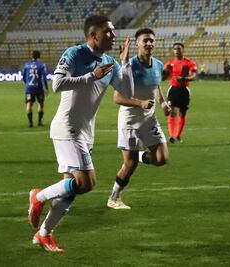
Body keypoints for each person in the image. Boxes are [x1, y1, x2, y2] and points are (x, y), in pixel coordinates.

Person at [27, 15, 133, 253]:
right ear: (93, 35)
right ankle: (38, 196)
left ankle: (44, 234)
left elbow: (125, 92)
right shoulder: (75, 54)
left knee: (70, 189)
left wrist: (124, 65)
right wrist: (90, 76)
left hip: (86, 132)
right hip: (68, 127)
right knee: (86, 182)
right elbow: (57, 84)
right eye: (108, 32)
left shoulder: (110, 63)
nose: (113, 36)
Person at [107, 28, 171, 209]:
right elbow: (117, 98)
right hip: (130, 120)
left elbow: (156, 85)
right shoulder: (129, 66)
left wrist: (163, 103)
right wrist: (139, 103)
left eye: (151, 40)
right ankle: (113, 198)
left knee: (161, 158)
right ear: (137, 44)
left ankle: (142, 156)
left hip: (149, 119)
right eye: (145, 41)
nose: (149, 43)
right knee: (130, 165)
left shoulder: (158, 64)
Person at [163, 42, 197, 144]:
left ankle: (178, 135)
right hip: (173, 89)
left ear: (183, 50)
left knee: (182, 113)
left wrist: (183, 78)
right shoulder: (170, 63)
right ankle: (172, 135)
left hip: (184, 90)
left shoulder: (189, 63)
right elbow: (163, 77)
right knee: (171, 112)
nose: (177, 51)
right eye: (175, 49)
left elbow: (194, 76)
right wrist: (164, 72)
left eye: (179, 49)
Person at [22, 50, 49, 127]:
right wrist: (46, 88)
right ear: (39, 56)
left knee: (29, 104)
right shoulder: (42, 65)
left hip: (29, 88)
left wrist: (27, 84)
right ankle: (39, 122)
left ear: (32, 56)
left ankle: (30, 123)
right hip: (39, 88)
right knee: (41, 104)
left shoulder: (27, 65)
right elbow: (44, 78)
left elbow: (23, 77)